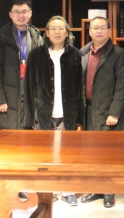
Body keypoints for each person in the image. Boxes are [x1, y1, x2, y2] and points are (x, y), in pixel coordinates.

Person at [26, 15, 82, 206]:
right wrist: (30, 117)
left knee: (67, 154)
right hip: (43, 112)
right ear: (47, 33)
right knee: (45, 154)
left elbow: (79, 88)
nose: (57, 32)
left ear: (67, 33)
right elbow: (29, 87)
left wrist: (79, 116)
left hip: (67, 113)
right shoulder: (36, 55)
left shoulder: (75, 55)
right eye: (53, 28)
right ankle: (47, 190)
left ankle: (67, 190)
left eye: (61, 28)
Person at [79, 17, 124, 208]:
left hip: (109, 112)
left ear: (109, 30)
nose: (99, 31)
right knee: (93, 153)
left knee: (109, 154)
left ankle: (109, 192)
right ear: (90, 31)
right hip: (89, 111)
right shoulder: (82, 53)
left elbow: (123, 85)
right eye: (95, 28)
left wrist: (115, 113)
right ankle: (96, 189)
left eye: (103, 27)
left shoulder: (118, 53)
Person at [0, 0, 42, 132]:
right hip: (7, 100)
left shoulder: (37, 38)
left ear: (30, 13)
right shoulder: (0, 37)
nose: (21, 15)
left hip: (29, 100)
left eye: (24, 11)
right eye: (17, 12)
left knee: (28, 140)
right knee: (6, 139)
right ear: (10, 15)